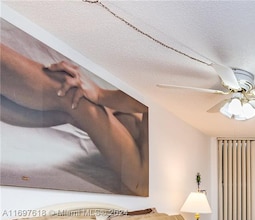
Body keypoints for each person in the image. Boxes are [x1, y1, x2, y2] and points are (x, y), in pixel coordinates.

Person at [0, 43, 148, 195]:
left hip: (143, 176)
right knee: (73, 100)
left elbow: (148, 102)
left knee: (71, 93)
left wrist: (100, 95)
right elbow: (147, 102)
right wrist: (100, 96)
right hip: (138, 131)